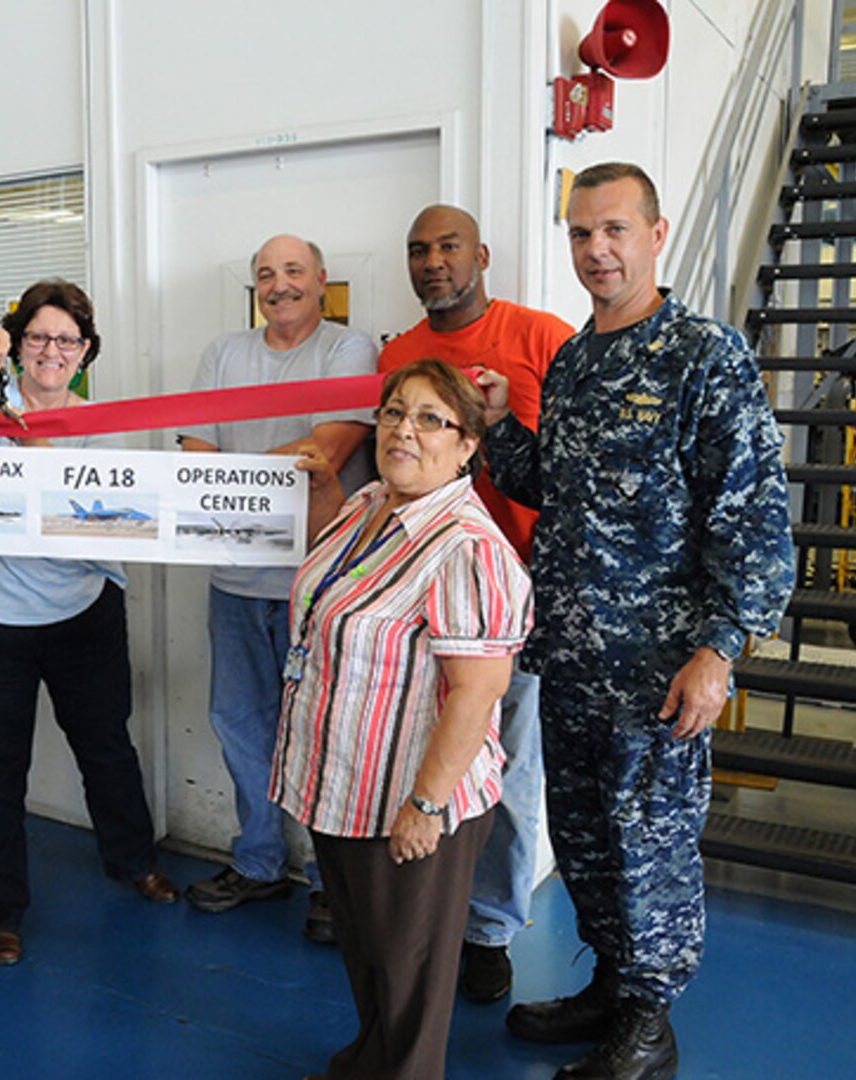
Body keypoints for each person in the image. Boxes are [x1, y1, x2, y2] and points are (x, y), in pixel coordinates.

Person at [482, 163, 794, 1080]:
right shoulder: (576, 359)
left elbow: (753, 517)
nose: (596, 250)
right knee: (582, 838)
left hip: (660, 667)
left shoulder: (705, 356)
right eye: (581, 234)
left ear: (656, 235)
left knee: (649, 848)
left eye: (615, 230)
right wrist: (503, 428)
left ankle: (650, 1026)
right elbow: (556, 492)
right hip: (574, 656)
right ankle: (611, 988)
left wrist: (720, 648)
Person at [275, 359, 532, 1080]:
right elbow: (346, 588)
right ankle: (373, 1053)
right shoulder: (371, 504)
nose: (403, 431)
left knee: (408, 966)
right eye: (393, 412)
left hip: (409, 796)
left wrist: (425, 804)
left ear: (467, 445)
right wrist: (326, 488)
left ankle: (405, 1068)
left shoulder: (469, 551)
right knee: (366, 948)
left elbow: (477, 695)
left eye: (429, 419)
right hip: (345, 780)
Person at [0, 279, 178, 966]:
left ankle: (133, 859)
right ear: (18, 341)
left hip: (80, 611)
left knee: (105, 746)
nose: (51, 351)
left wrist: (46, 479)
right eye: (37, 337)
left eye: (67, 340)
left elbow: (119, 529)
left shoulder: (103, 427)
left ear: (86, 351)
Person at [379, 204, 574, 1002]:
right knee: (421, 750)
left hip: (513, 589)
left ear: (481, 254)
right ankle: (426, 914)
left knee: (509, 764)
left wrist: (502, 423)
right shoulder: (397, 352)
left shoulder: (542, 336)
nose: (433, 262)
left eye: (448, 246)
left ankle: (490, 928)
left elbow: (577, 457)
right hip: (414, 591)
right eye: (418, 249)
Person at [178, 234, 378, 941]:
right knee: (239, 722)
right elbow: (195, 457)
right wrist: (253, 474)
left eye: (293, 271)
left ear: (322, 280)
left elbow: (324, 454)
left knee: (325, 731)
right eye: (266, 273)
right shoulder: (222, 355)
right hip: (233, 581)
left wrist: (234, 478)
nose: (279, 283)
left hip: (318, 581)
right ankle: (259, 863)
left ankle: (332, 883)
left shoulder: (350, 353)